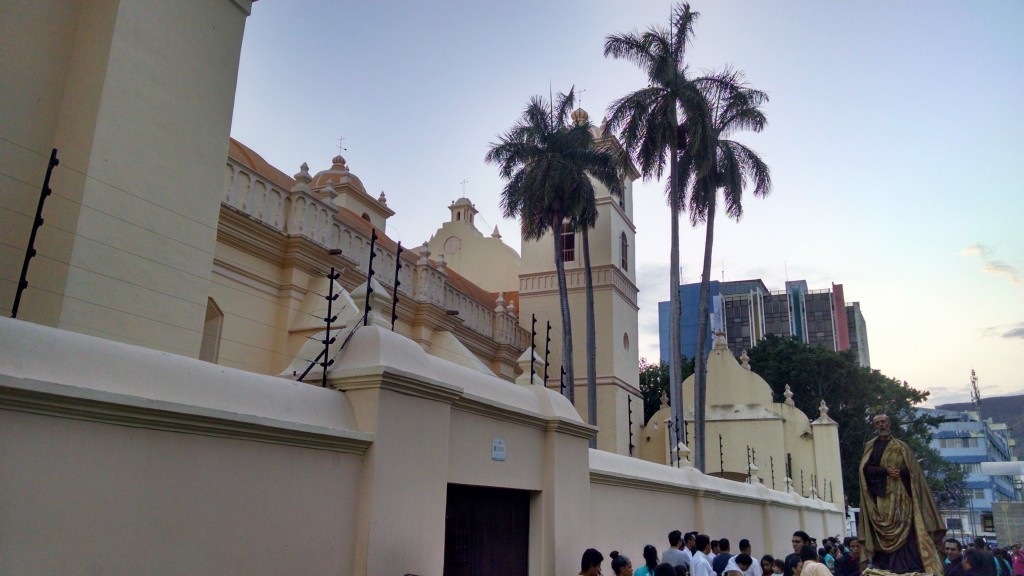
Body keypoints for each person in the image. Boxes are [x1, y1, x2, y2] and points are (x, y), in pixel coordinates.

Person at [859, 413, 946, 575]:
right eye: (878, 423)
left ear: (889, 423)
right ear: (875, 426)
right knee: (883, 532)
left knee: (908, 528)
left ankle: (909, 564)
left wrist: (900, 472)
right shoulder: (871, 446)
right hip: (882, 497)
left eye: (884, 421)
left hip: (902, 496)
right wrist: (885, 471)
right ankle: (885, 564)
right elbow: (865, 470)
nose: (881, 425)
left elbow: (914, 472)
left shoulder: (901, 446)